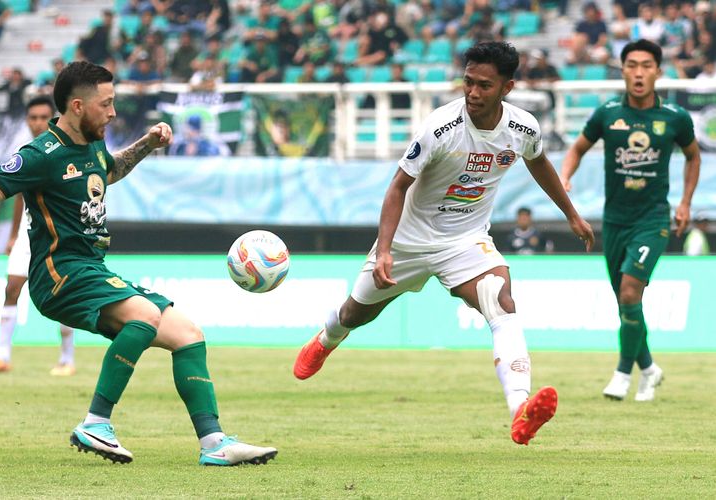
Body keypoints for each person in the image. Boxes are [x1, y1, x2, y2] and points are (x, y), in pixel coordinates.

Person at [0, 61, 276, 466]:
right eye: (107, 104)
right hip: (59, 275)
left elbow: (107, 173)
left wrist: (146, 144)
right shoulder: (41, 154)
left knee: (188, 333)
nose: (113, 113)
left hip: (92, 269)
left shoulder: (93, 142)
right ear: (77, 106)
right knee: (145, 316)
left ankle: (213, 441)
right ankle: (96, 422)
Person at [293, 41, 595, 446]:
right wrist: (385, 250)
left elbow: (538, 161)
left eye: (484, 85)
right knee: (356, 313)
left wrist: (571, 213)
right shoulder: (440, 127)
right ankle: (327, 338)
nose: (472, 92)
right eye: (468, 82)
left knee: (500, 299)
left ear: (507, 87)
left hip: (465, 240)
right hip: (408, 241)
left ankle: (520, 410)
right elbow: (398, 186)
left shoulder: (524, 127)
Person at [560, 39, 701, 402]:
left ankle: (622, 374)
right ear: (622, 70)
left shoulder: (674, 117)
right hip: (615, 220)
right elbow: (576, 148)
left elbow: (693, 157)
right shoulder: (607, 113)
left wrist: (684, 204)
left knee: (628, 292)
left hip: (653, 219)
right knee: (627, 304)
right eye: (632, 65)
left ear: (658, 71)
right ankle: (650, 369)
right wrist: (565, 176)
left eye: (646, 65)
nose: (639, 73)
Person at [0, 95, 76, 376]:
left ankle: (67, 359)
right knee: (12, 288)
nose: (38, 123)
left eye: (44, 117)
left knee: (65, 295)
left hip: (58, 237)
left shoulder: (65, 150)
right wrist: (13, 234)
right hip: (26, 235)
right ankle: (2, 355)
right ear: (27, 121)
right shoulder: (27, 153)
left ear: (52, 118)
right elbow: (19, 195)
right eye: (33, 118)